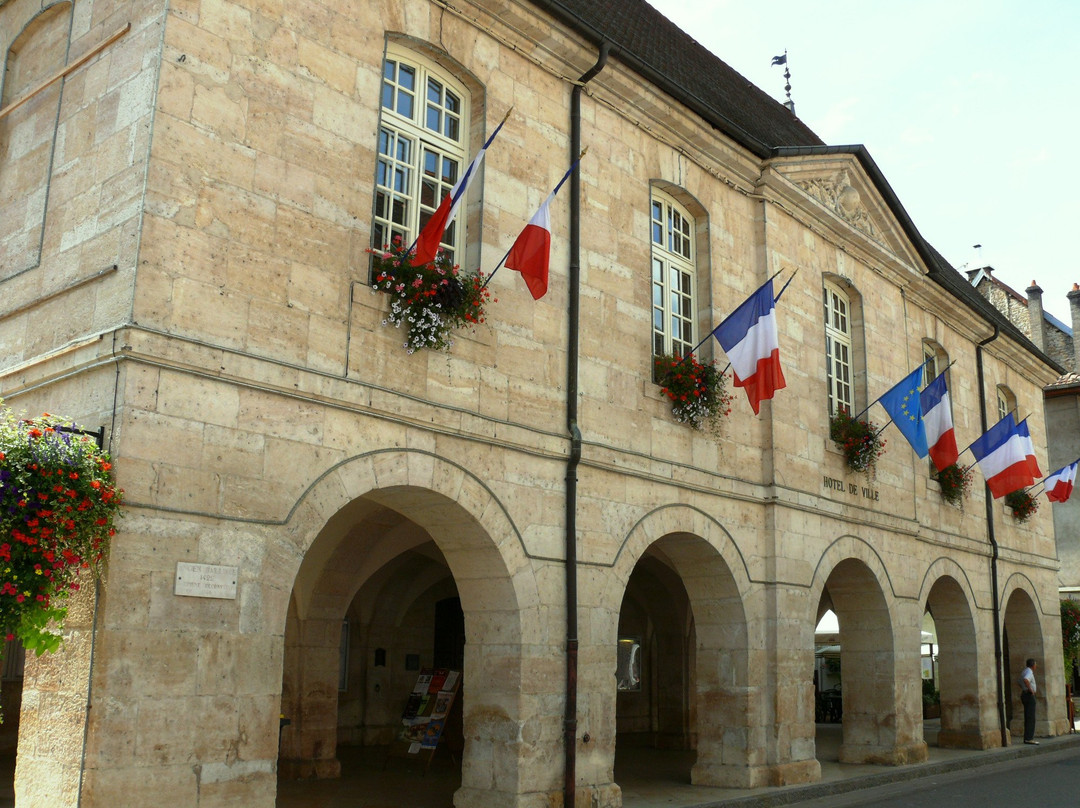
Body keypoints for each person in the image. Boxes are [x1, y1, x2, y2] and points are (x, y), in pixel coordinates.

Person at [1019, 658, 1038, 744]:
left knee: (1028, 716)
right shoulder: (1029, 672)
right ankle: (1029, 738)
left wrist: (1024, 688)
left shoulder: (1024, 671)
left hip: (1024, 694)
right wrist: (1030, 690)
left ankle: (1027, 737)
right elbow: (1026, 680)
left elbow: (1019, 681)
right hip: (1029, 695)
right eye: (1035, 665)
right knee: (1030, 717)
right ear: (1033, 665)